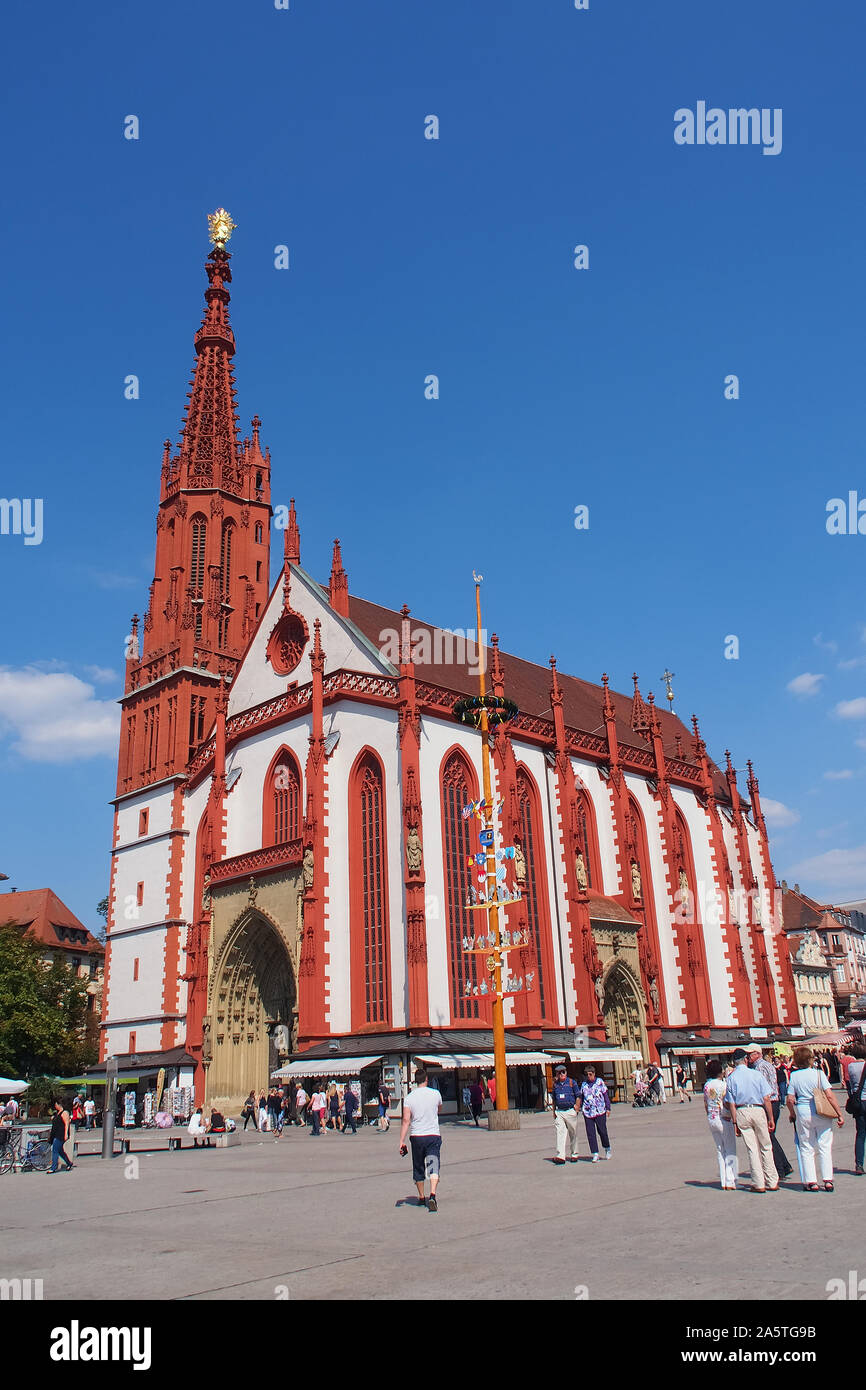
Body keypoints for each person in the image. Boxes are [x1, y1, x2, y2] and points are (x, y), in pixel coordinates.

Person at [786, 1044, 844, 1192]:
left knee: (806, 1147)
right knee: (824, 1145)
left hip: (803, 1112)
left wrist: (792, 1113)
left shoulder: (794, 1076)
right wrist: (839, 1113)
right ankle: (828, 1180)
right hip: (821, 1112)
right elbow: (829, 1095)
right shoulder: (818, 1074)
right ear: (811, 1059)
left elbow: (790, 1099)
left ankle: (811, 1181)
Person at [725, 1048, 778, 1193]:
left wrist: (735, 1122)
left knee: (752, 1148)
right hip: (758, 1109)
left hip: (742, 1111)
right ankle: (772, 1181)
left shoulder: (731, 1078)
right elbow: (767, 1098)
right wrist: (771, 1117)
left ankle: (758, 1183)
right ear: (746, 1060)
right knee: (766, 1146)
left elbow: (731, 1103)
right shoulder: (756, 1074)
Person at [398, 1069, 443, 1211]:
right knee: (433, 1164)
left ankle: (422, 1197)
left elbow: (406, 1120)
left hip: (417, 1136)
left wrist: (401, 1140)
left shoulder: (409, 1097)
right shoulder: (435, 1094)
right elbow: (439, 1109)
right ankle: (433, 1195)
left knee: (418, 1166)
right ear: (427, 1079)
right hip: (433, 1135)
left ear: (415, 1081)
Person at [746, 1044, 793, 1180]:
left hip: (768, 1103)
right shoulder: (768, 1064)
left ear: (757, 1054)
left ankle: (780, 1169)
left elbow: (762, 1089)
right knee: (770, 1135)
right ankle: (785, 1165)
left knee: (767, 1136)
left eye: (750, 1054)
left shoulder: (758, 1068)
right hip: (775, 1101)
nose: (748, 1057)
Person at [703, 1059, 737, 1190]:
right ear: (720, 1072)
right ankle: (730, 1181)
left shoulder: (707, 1085)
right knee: (730, 1149)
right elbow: (727, 1102)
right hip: (724, 1118)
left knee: (719, 1150)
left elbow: (705, 1103)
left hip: (712, 1118)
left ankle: (723, 1181)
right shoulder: (723, 1085)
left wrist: (710, 1113)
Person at [579, 1064, 611, 1160]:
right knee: (590, 1133)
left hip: (600, 1110)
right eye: (587, 1075)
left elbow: (605, 1095)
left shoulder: (600, 1082)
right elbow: (581, 1097)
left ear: (594, 1074)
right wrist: (580, 1107)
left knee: (602, 1131)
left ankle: (607, 1148)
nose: (589, 1077)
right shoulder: (584, 1084)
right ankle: (595, 1153)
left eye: (590, 1074)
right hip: (588, 1112)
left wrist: (608, 1108)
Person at [551, 1064, 582, 1165]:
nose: (562, 1074)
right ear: (557, 1074)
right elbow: (554, 1099)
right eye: (559, 1073)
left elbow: (578, 1096)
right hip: (560, 1111)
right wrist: (554, 1112)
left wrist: (577, 1108)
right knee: (560, 1133)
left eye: (563, 1072)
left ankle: (574, 1154)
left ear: (566, 1072)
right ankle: (560, 1156)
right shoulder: (555, 1084)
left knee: (573, 1133)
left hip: (570, 1110)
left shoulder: (572, 1082)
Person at [845, 1042, 866, 1176]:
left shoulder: (851, 1066)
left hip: (858, 1103)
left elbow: (850, 1084)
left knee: (860, 1134)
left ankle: (859, 1164)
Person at [47, 1099, 74, 1173]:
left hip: (61, 1134)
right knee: (60, 1151)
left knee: (55, 1150)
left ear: (59, 1105)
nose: (55, 1106)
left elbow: (66, 1124)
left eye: (56, 1105)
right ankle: (69, 1163)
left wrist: (66, 1134)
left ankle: (53, 1167)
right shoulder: (57, 1113)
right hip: (55, 1133)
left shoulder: (65, 1113)